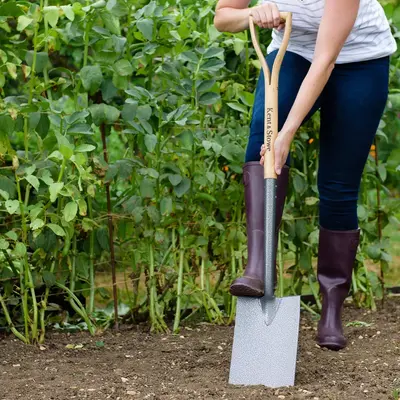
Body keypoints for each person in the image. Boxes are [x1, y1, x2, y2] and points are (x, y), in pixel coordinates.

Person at [214, 0, 397, 350]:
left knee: (338, 184)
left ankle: (331, 309)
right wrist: (253, 13)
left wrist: (287, 134)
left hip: (360, 61)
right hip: (293, 52)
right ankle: (257, 266)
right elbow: (223, 18)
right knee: (259, 146)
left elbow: (325, 59)